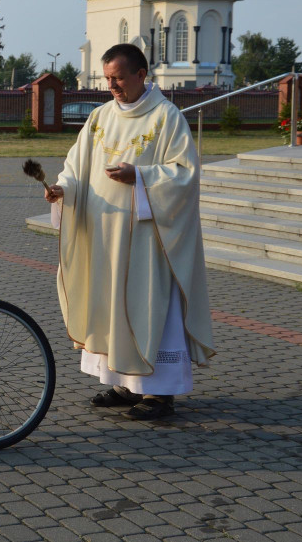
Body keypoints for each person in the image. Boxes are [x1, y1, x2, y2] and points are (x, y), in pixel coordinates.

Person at [44, 43, 214, 420]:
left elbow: (185, 175)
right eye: (107, 78)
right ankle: (124, 383)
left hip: (147, 240)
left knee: (151, 307)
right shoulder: (101, 117)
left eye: (118, 78)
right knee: (111, 307)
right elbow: (76, 166)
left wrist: (140, 176)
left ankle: (160, 392)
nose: (112, 86)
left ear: (141, 75)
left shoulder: (167, 118)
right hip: (105, 236)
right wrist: (63, 189)